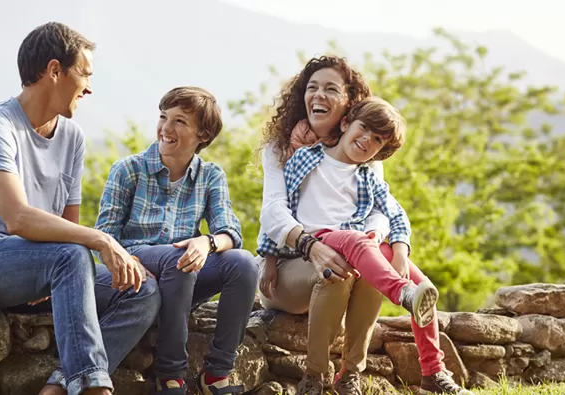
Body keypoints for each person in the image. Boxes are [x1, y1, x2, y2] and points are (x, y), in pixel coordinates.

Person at [0, 22, 159, 395]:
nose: (89, 87)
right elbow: (17, 218)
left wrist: (51, 266)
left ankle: (58, 385)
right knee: (70, 256)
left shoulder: (72, 137)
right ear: (54, 70)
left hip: (44, 265)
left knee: (140, 289)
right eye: (84, 74)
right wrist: (101, 240)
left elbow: (65, 227)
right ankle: (92, 389)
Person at [260, 97, 474, 395]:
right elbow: (277, 210)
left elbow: (395, 213)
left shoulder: (367, 177)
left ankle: (433, 372)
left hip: (358, 245)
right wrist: (269, 255)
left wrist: (400, 250)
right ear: (346, 123)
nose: (367, 141)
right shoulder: (307, 159)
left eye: (377, 140)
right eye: (364, 130)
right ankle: (400, 294)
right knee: (357, 241)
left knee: (422, 284)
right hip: (316, 242)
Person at [95, 86, 258, 395]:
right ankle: (170, 375)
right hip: (132, 268)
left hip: (183, 275)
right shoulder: (128, 170)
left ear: (203, 135)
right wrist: (133, 266)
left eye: (180, 121)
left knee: (244, 263)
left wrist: (206, 243)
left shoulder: (210, 176)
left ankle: (217, 375)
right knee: (179, 258)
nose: (166, 128)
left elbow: (230, 232)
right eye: (163, 116)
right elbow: (105, 238)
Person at [257, 55, 389, 395]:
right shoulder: (281, 149)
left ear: (349, 104)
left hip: (348, 249)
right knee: (334, 269)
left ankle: (349, 375)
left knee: (372, 267)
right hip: (288, 267)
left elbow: (380, 210)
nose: (318, 95)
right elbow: (272, 211)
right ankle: (313, 380)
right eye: (312, 88)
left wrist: (372, 237)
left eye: (331, 89)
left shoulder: (364, 153)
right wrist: (310, 246)